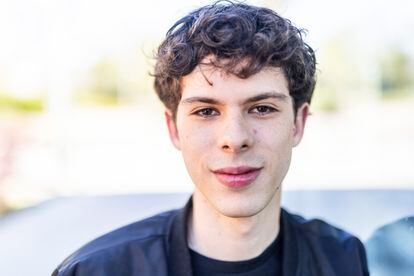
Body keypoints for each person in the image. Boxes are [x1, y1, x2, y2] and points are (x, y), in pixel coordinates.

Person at [53, 1, 369, 275]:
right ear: (173, 128)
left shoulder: (346, 259)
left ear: (298, 124)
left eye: (261, 108)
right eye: (206, 111)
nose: (234, 138)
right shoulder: (95, 271)